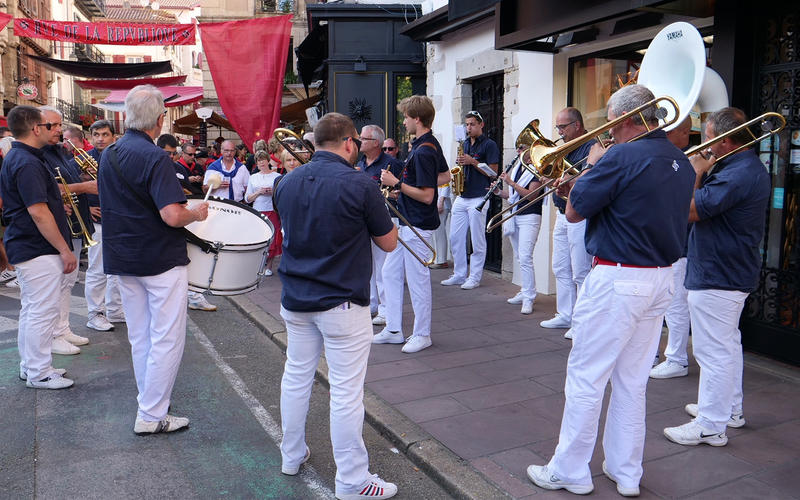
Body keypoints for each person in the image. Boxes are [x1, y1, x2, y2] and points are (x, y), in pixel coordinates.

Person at [526, 85, 695, 496]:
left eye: (613, 124)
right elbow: (631, 204)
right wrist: (584, 183)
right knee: (633, 381)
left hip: (618, 278)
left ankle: (569, 470)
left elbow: (573, 211)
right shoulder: (680, 160)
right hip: (659, 278)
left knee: (586, 376)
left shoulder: (619, 154)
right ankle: (626, 471)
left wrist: (592, 167)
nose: (609, 132)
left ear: (625, 120)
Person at [274, 112, 399, 499]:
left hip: (296, 298)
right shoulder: (360, 183)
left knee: (296, 377)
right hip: (341, 302)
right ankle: (351, 480)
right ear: (349, 143)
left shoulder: (285, 182)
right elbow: (389, 243)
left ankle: (291, 455)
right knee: (346, 392)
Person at [98, 84, 209, 434]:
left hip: (123, 256)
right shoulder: (156, 157)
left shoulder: (109, 153)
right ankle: (152, 413)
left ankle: (149, 400)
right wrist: (197, 213)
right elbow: (172, 216)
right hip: (159, 258)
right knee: (166, 337)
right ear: (160, 119)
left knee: (141, 335)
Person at [663, 108, 770, 446]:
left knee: (713, 352)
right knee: (726, 347)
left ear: (724, 141)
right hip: (724, 269)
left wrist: (694, 172)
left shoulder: (737, 172)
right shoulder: (739, 166)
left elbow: (689, 210)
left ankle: (711, 424)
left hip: (719, 272)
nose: (703, 143)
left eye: (707, 137)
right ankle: (729, 410)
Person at [1, 105, 77, 389]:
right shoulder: (27, 161)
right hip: (36, 248)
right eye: (49, 126)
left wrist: (59, 209)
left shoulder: (22, 157)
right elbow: (37, 211)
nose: (53, 130)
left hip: (29, 245)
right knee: (42, 311)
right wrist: (64, 250)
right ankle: (38, 372)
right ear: (35, 128)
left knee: (33, 310)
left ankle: (31, 366)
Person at [375, 95, 444, 354]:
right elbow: (446, 175)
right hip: (407, 221)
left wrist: (398, 185)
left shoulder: (425, 150)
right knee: (389, 273)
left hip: (417, 223)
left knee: (418, 281)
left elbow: (427, 196)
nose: (403, 122)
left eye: (406, 117)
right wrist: (403, 191)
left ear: (417, 118)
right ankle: (394, 329)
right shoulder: (427, 144)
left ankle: (422, 334)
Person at [39, 107, 93, 352]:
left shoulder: (60, 151)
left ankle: (62, 328)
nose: (59, 130)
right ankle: (52, 336)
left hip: (75, 221)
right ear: (36, 127)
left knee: (68, 281)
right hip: (58, 226)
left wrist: (79, 180)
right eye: (53, 125)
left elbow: (66, 184)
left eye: (59, 125)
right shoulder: (39, 155)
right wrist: (85, 187)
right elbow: (54, 190)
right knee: (57, 283)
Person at [539, 108, 595, 333]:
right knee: (560, 267)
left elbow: (588, 180)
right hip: (561, 212)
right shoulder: (564, 148)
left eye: (563, 127)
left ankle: (582, 322)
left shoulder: (591, 146)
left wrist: (569, 180)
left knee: (581, 271)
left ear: (577, 126)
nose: (559, 132)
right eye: (558, 127)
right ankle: (566, 314)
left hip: (580, 215)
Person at [651, 116, 694, 378]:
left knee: (676, 304)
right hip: (660, 241)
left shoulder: (689, 161)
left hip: (680, 242)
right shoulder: (667, 158)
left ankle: (677, 358)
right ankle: (652, 352)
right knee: (657, 303)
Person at [156, 134, 218, 313]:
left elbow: (186, 190)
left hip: (184, 215)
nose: (169, 157)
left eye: (172, 153)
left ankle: (193, 295)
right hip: (168, 219)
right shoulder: (156, 168)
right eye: (166, 153)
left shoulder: (177, 168)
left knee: (190, 255)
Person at [441, 110, 499, 290]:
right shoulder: (465, 144)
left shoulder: (489, 145)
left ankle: (474, 277)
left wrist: (473, 162)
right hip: (463, 195)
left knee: (477, 239)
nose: (469, 128)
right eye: (467, 124)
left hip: (479, 197)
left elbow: (494, 173)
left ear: (481, 124)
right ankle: (459, 274)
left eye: (472, 124)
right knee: (455, 237)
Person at [355, 124, 403, 326]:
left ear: (375, 143)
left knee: (384, 267)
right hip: (364, 218)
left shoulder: (392, 164)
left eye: (363, 139)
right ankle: (372, 304)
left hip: (387, 217)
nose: (359, 142)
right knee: (369, 266)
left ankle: (385, 309)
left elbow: (401, 193)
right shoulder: (360, 163)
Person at [82, 119, 125, 331]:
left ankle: (115, 310)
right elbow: (67, 188)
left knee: (118, 270)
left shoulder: (121, 156)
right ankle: (94, 313)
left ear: (113, 136)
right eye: (96, 134)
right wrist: (86, 209)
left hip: (119, 220)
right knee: (98, 269)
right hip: (97, 223)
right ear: (91, 137)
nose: (100, 139)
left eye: (105, 134)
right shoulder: (81, 160)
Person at [497, 143, 543, 315]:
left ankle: (529, 297)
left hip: (530, 216)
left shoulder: (538, 169)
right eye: (516, 147)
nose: (518, 150)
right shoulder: (518, 169)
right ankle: (525, 291)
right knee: (519, 256)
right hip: (515, 215)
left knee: (525, 256)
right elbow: (512, 196)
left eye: (522, 147)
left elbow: (531, 195)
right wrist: (498, 192)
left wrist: (510, 182)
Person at [245, 150, 282, 275]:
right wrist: (259, 192)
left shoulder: (276, 176)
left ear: (268, 161)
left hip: (272, 210)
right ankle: (259, 265)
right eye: (258, 160)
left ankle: (269, 266)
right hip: (258, 211)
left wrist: (273, 192)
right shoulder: (253, 177)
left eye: (263, 159)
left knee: (272, 237)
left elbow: (282, 195)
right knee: (259, 238)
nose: (261, 162)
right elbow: (247, 198)